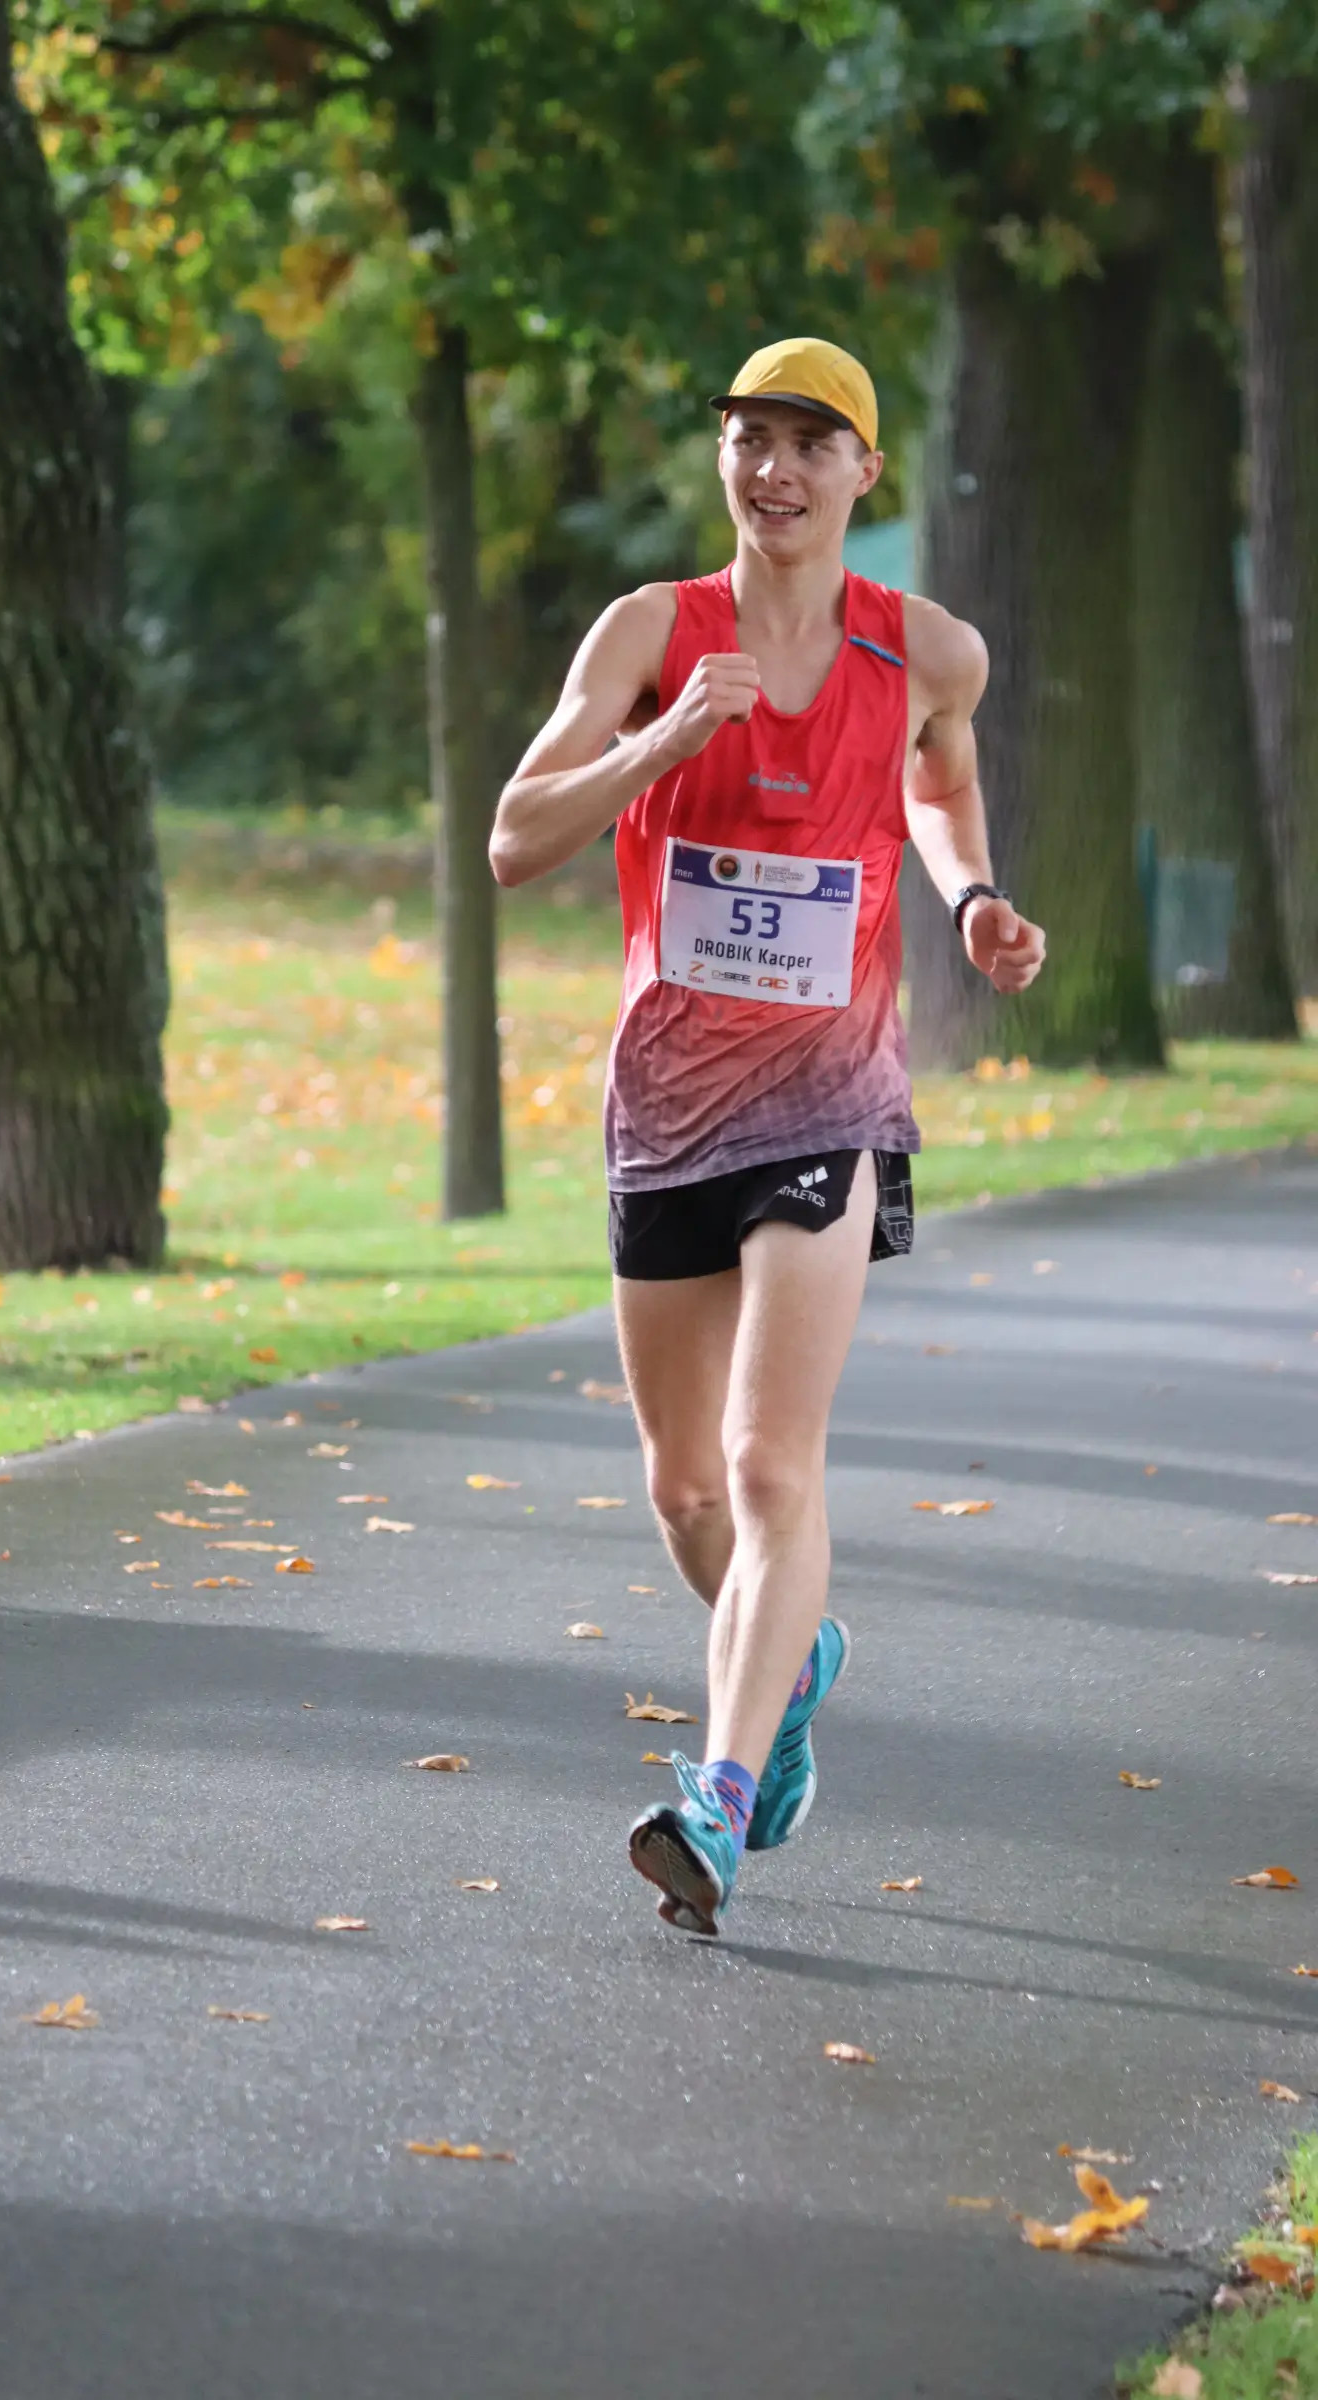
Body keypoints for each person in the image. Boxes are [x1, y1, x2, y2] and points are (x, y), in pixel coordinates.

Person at [488, 336, 1046, 1936]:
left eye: (813, 443)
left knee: (763, 1457)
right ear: (723, 459)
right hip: (667, 1102)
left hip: (830, 1095)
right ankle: (796, 1664)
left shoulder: (929, 650)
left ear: (867, 474)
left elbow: (939, 789)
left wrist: (976, 899)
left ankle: (720, 1803)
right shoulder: (653, 633)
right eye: (751, 438)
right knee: (682, 1495)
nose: (776, 470)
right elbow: (512, 839)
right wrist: (662, 741)